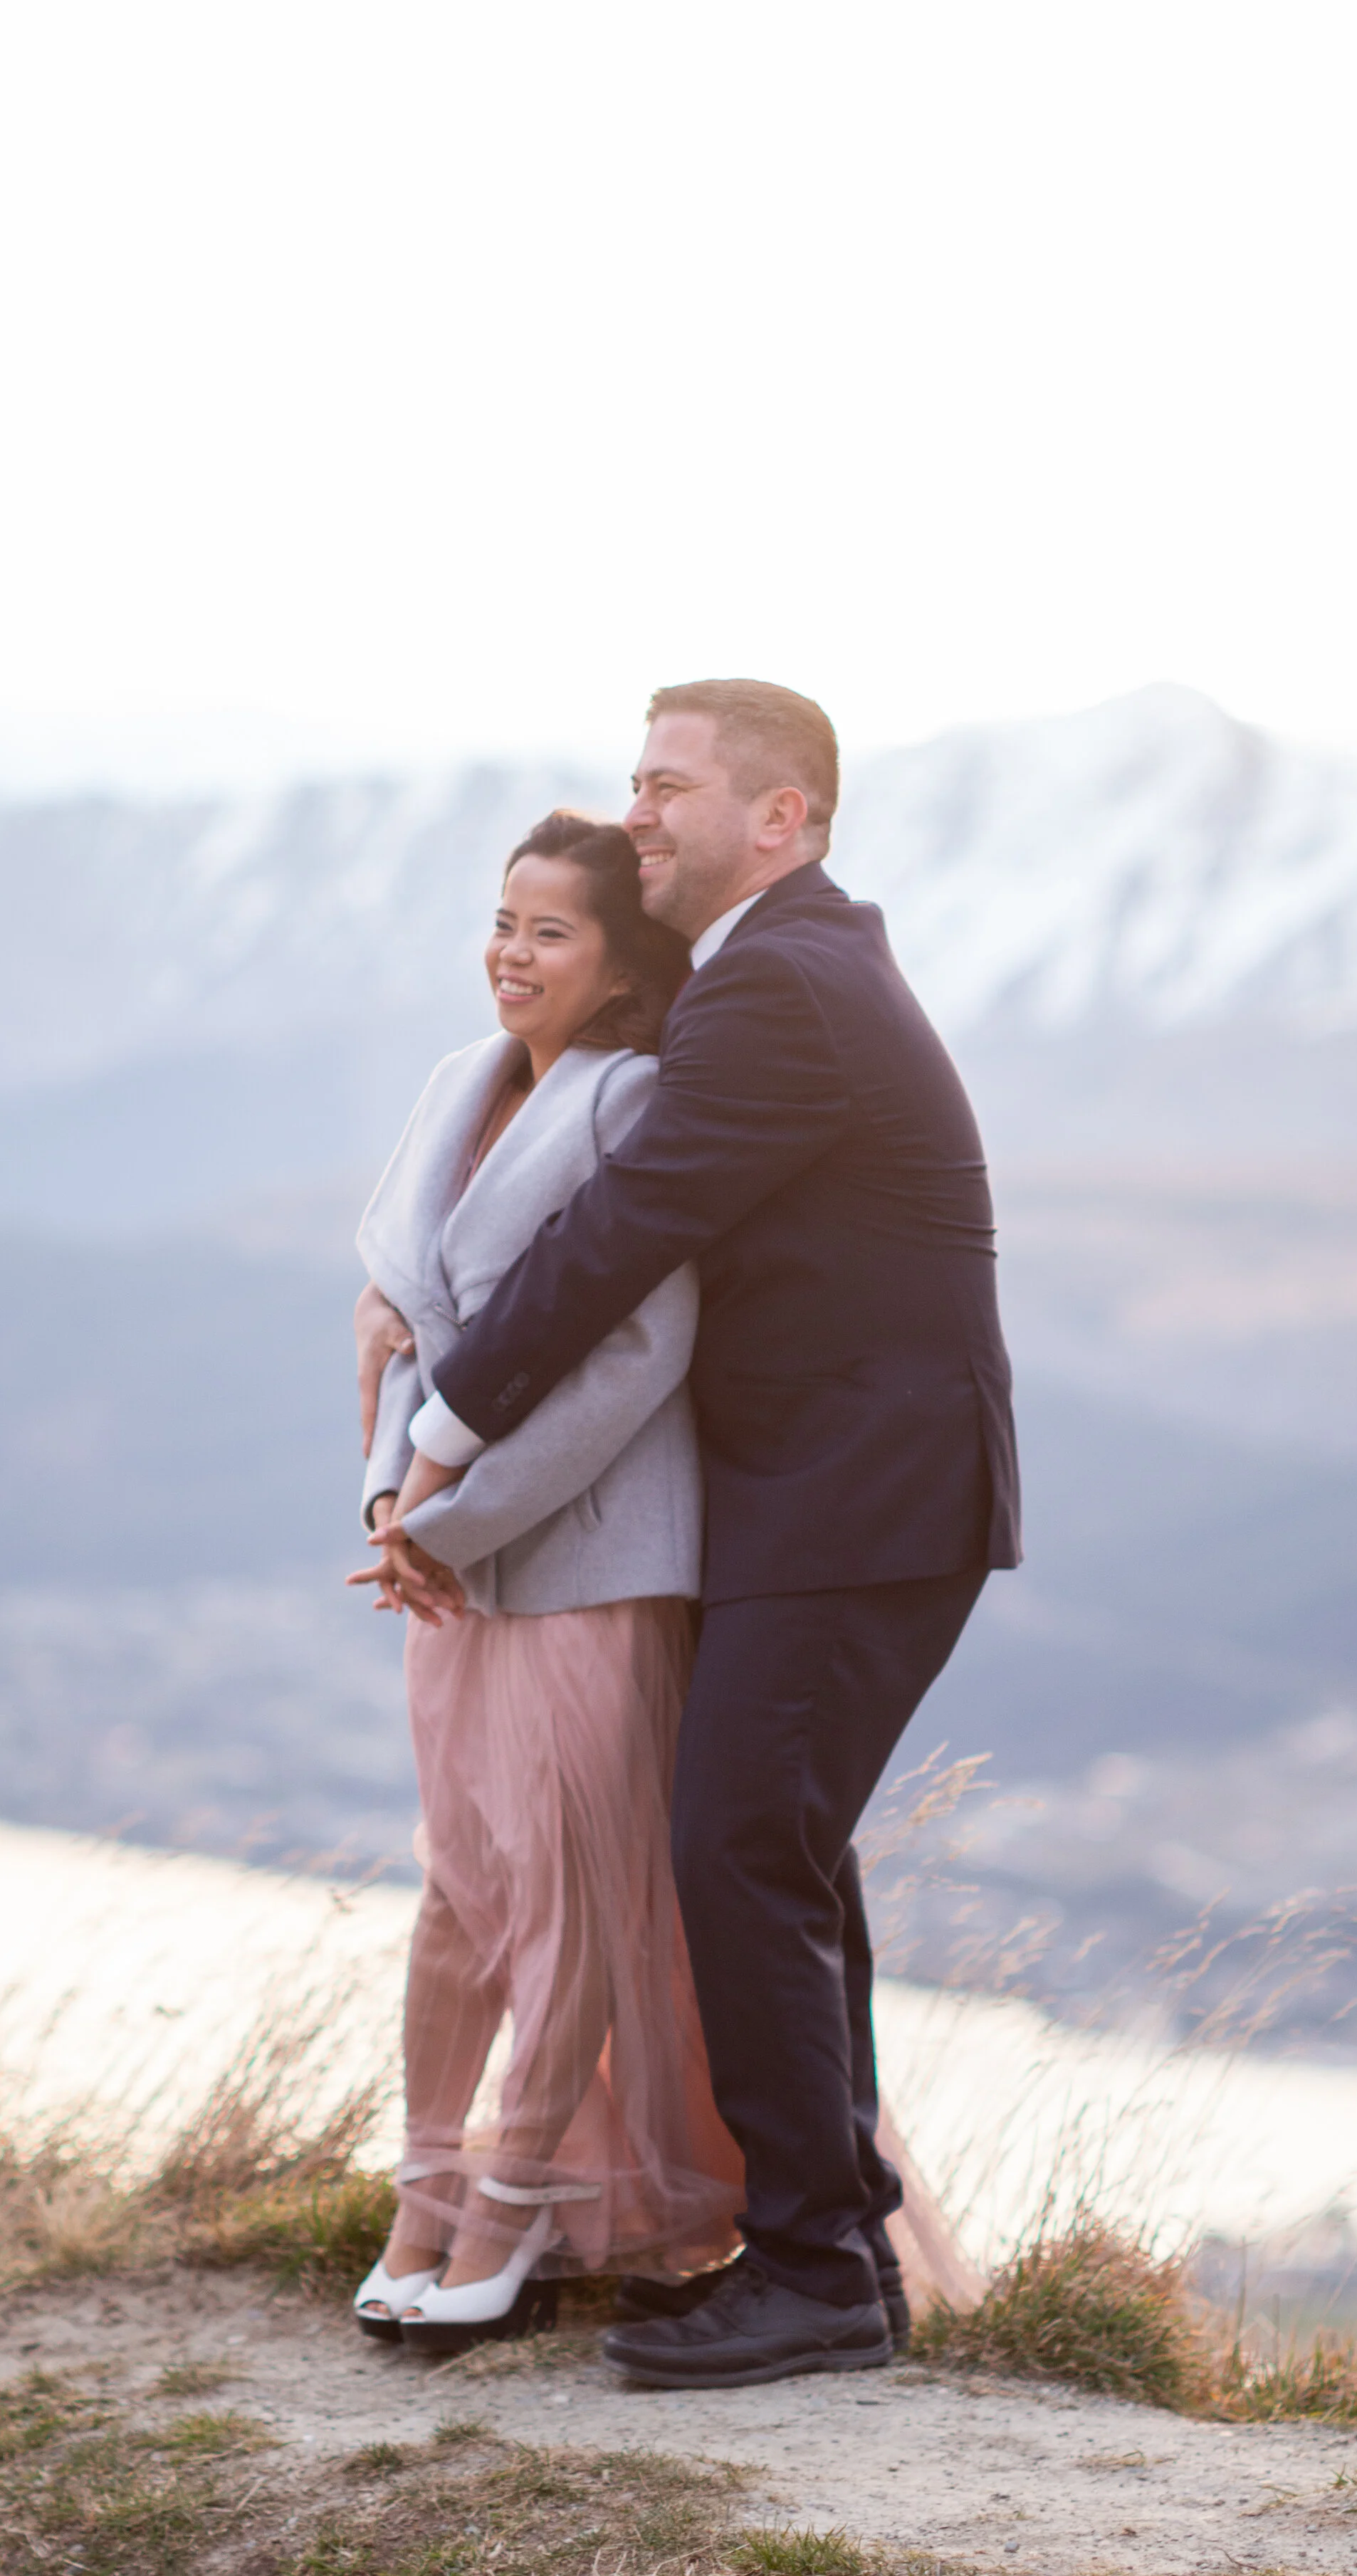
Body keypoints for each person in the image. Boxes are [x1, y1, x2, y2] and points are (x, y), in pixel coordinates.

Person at [365, 679, 1020, 2388]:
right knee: (771, 1851)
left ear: (779, 818)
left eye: (667, 789)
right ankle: (837, 2250)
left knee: (732, 1843)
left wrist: (442, 1434)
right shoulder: (777, 975)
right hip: (832, 1491)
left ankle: (809, 2271)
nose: (637, 813)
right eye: (633, 785)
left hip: (857, 1495)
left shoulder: (782, 992)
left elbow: (618, 1238)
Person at [345, 810, 745, 2357]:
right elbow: (399, 1315)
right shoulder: (456, 1083)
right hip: (436, 1549)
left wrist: (455, 1515)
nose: (509, 953)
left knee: (574, 1900)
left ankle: (515, 2217)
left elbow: (634, 1355)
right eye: (501, 922)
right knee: (461, 1896)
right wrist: (390, 1493)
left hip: (585, 1555)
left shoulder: (630, 1102)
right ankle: (425, 2191)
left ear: (620, 961)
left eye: (550, 931)